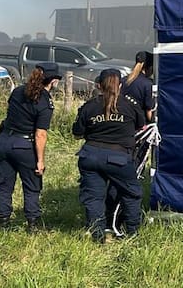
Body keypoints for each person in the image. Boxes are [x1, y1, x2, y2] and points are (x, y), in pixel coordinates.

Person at [73, 69, 148, 243]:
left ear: (99, 85)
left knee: (94, 198)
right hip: (119, 158)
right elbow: (141, 126)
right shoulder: (130, 105)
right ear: (120, 85)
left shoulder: (89, 106)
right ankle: (131, 233)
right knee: (131, 193)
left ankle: (97, 237)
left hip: (90, 156)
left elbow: (77, 133)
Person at [0, 63, 61, 231]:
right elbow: (40, 134)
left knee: (3, 184)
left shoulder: (18, 91)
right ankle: (33, 223)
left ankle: (3, 220)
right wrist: (40, 161)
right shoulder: (45, 101)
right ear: (52, 81)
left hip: (4, 141)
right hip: (24, 146)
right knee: (32, 185)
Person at [103, 51, 156, 237]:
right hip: (138, 135)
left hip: (119, 134)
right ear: (149, 67)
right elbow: (149, 114)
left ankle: (109, 216)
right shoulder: (147, 85)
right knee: (131, 176)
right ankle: (124, 219)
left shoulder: (124, 81)